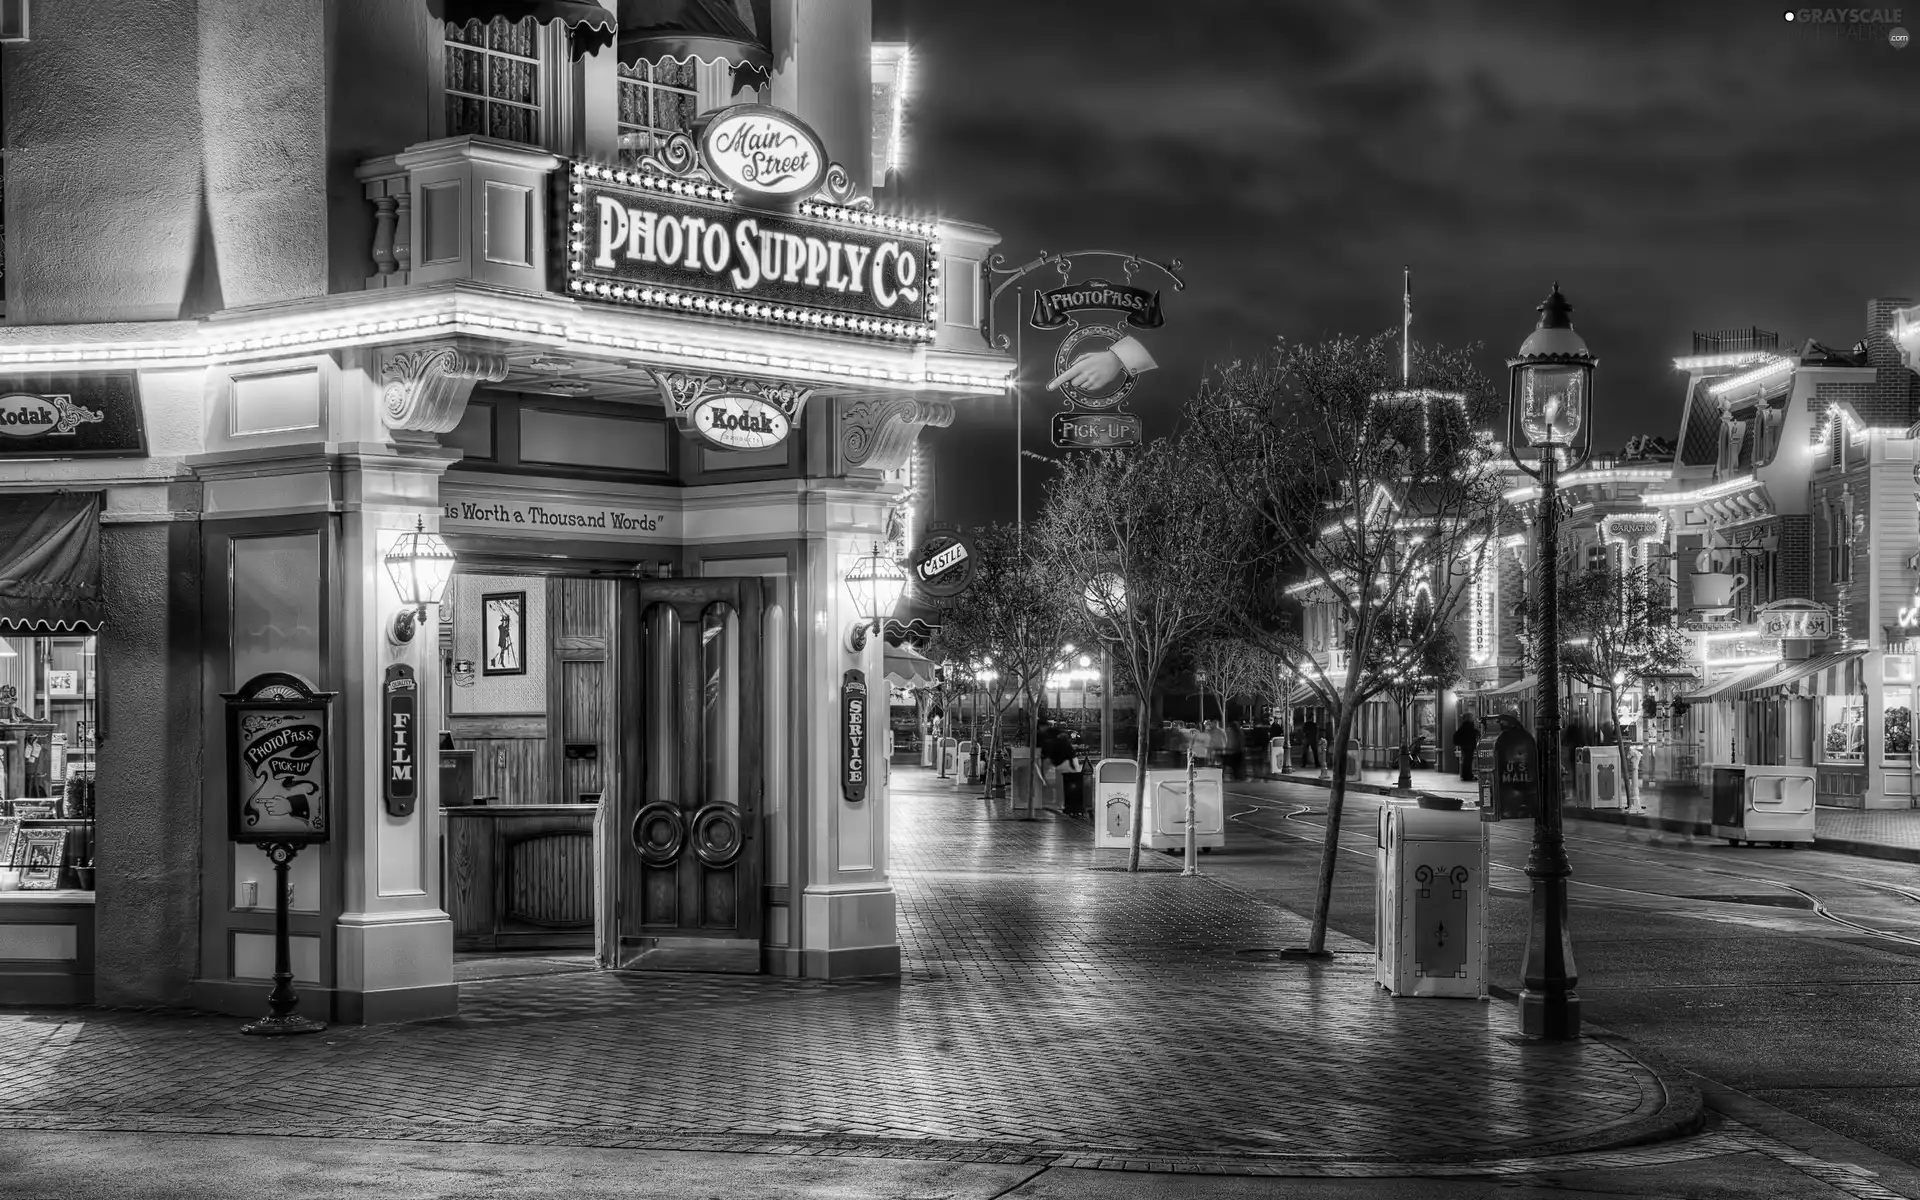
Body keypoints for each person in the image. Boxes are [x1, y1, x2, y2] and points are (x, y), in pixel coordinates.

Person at [1453, 715, 1480, 781]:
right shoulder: (1469, 726)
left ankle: (1466, 775)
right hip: (1469, 746)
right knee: (1468, 761)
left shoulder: (1464, 726)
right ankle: (1467, 776)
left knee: (1466, 761)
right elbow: (1473, 733)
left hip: (1465, 746)